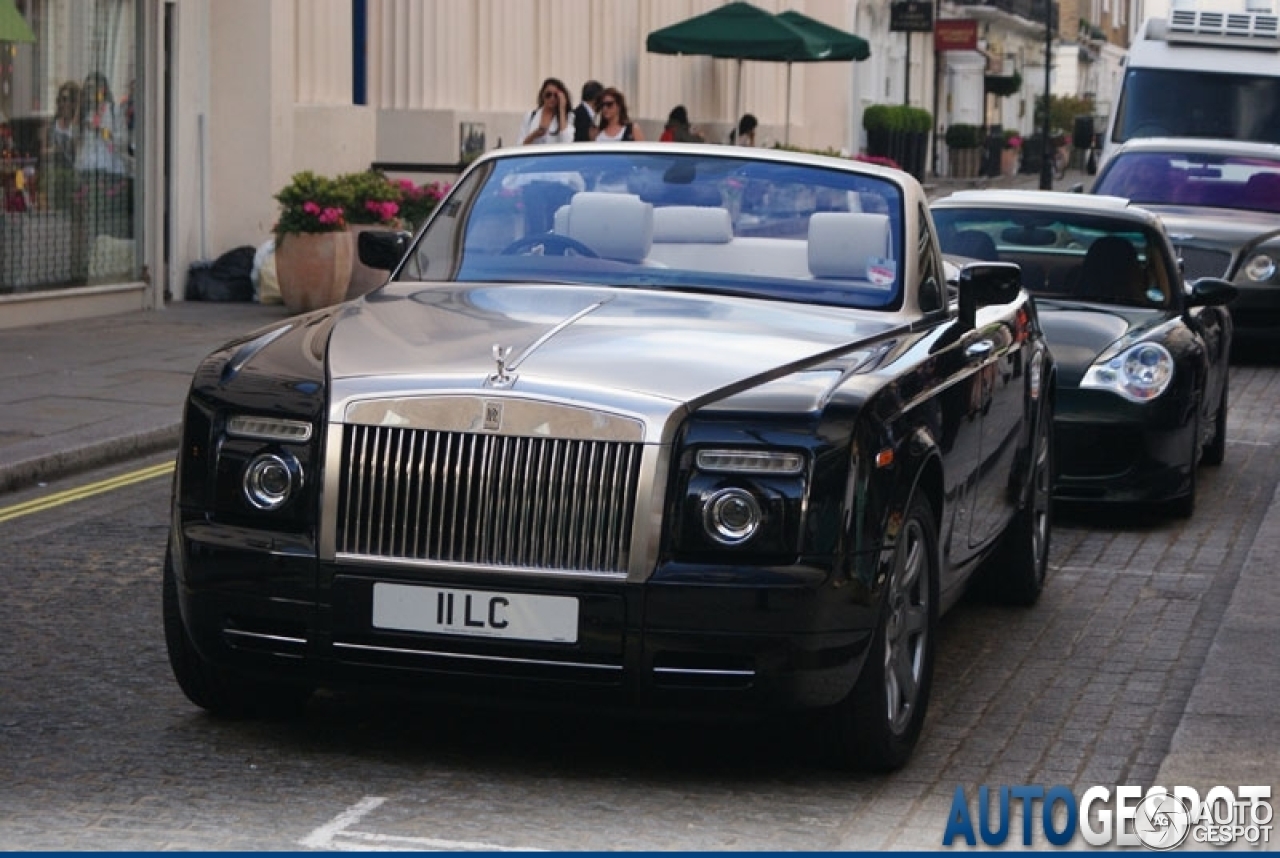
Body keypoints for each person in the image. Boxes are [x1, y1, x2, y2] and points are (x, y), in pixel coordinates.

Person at [519, 77, 574, 145]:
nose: (552, 98)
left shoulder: (568, 117)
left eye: (556, 95)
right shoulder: (530, 116)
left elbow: (567, 142)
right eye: (548, 95)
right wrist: (534, 135)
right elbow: (520, 145)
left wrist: (562, 109)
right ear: (542, 95)